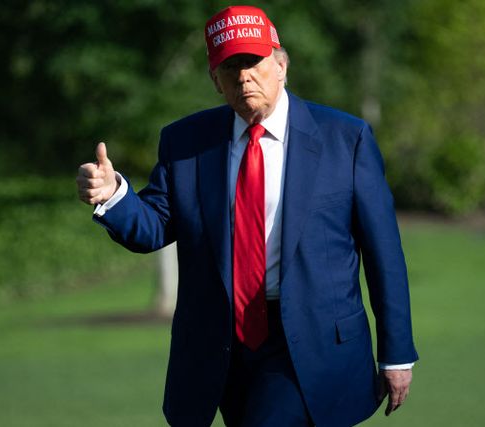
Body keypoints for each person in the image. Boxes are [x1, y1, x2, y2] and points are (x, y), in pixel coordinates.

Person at [76, 5, 418, 427]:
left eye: (253, 62)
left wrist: (396, 352)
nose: (243, 77)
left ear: (281, 66)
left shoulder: (346, 139)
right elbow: (153, 227)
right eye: (230, 67)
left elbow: (384, 254)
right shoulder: (186, 142)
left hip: (310, 343)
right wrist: (114, 195)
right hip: (221, 346)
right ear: (215, 81)